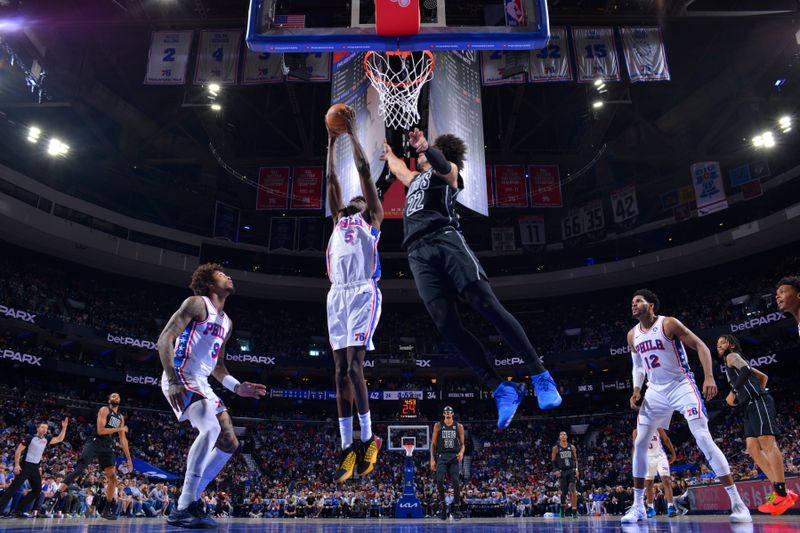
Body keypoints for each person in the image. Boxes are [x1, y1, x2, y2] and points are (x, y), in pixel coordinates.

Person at [381, 130, 561, 430]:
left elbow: (444, 167)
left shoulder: (449, 174)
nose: (422, 155)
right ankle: (501, 388)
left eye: (429, 151)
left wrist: (426, 146)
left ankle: (540, 375)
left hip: (446, 241)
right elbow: (399, 168)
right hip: (416, 253)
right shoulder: (414, 180)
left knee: (485, 303)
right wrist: (387, 153)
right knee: (446, 325)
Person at [622, 289, 751, 523]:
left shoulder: (669, 324)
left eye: (638, 301)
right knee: (640, 442)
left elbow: (700, 346)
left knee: (702, 438)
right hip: (655, 391)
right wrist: (637, 390)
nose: (633, 304)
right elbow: (638, 366)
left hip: (681, 384)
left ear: (651, 306)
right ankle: (638, 506)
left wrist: (709, 376)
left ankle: (738, 503)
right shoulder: (632, 335)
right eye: (632, 302)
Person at [157, 263, 267, 528]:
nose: (229, 276)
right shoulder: (197, 304)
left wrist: (238, 387)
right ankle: (184, 505)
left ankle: (191, 499)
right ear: (209, 283)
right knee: (210, 429)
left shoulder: (227, 322)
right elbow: (164, 339)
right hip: (181, 374)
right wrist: (172, 379)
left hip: (202, 382)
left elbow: (218, 366)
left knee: (230, 442)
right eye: (221, 274)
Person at [325, 108, 384, 483]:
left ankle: (368, 439)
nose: (355, 202)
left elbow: (364, 174)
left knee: (353, 368)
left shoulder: (373, 217)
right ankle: (347, 448)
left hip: (363, 292)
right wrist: (331, 142)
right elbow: (331, 178)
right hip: (336, 296)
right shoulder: (337, 219)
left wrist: (352, 137)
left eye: (359, 200)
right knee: (337, 372)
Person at [717, 334, 797, 515]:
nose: (719, 346)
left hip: (758, 402)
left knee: (768, 444)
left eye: (722, 342)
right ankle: (779, 492)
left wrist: (734, 392)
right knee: (752, 448)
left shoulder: (732, 356)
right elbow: (763, 377)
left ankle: (782, 493)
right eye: (717, 344)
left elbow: (745, 370)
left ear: (730, 345)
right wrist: (741, 397)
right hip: (749, 406)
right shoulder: (730, 364)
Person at [58, 394, 131, 521]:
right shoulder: (104, 410)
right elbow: (101, 430)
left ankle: (106, 510)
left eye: (118, 396)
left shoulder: (120, 417)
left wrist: (129, 459)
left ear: (120, 401)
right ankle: (54, 497)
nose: (116, 397)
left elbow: (123, 440)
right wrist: (120, 428)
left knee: (113, 478)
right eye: (113, 396)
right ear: (109, 400)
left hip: (107, 446)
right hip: (94, 442)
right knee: (80, 469)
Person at [0, 419, 67, 518]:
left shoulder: (46, 439)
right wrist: (17, 465)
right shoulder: (30, 438)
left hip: (35, 468)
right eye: (42, 427)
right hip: (25, 466)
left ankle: (16, 511)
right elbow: (18, 451)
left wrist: (64, 428)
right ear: (38, 428)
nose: (44, 429)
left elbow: (59, 439)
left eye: (46, 428)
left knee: (36, 490)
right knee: (12, 489)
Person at [631, 427, 677, 517]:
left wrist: (673, 454)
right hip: (647, 459)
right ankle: (651, 508)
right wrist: (635, 462)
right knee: (648, 485)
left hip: (660, 457)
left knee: (666, 481)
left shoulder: (657, 427)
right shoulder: (636, 431)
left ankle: (671, 507)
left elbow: (666, 439)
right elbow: (636, 448)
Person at [430, 406, 464, 520]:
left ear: (453, 413)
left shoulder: (458, 426)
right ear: (443, 414)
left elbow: (463, 444)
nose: (448, 414)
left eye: (450, 412)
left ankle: (457, 508)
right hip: (441, 456)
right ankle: (443, 505)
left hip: (454, 456)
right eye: (446, 412)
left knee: (455, 480)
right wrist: (432, 459)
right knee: (439, 480)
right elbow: (433, 444)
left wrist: (462, 452)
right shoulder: (438, 425)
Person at [551, 431, 579, 518]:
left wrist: (577, 469)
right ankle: (562, 509)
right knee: (564, 492)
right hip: (562, 471)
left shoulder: (572, 447)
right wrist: (556, 470)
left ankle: (574, 511)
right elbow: (553, 461)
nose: (563, 436)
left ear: (566, 437)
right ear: (560, 437)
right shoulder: (556, 448)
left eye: (564, 434)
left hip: (571, 470)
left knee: (573, 489)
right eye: (561, 434)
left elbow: (575, 460)